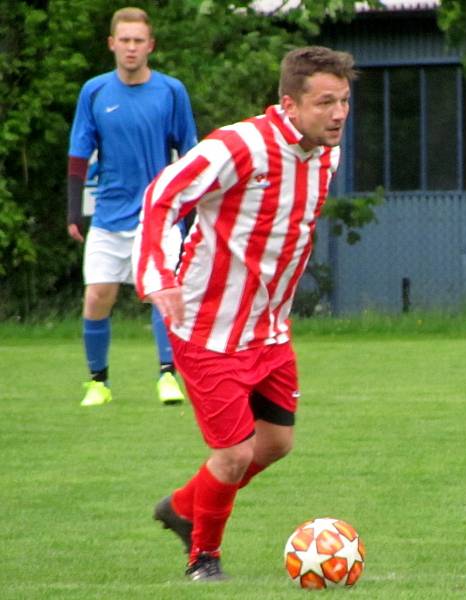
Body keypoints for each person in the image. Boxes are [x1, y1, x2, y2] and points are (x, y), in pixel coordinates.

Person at [132, 46, 356, 581]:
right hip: (207, 329)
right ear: (289, 103)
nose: (339, 113)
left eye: (344, 101)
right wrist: (158, 276)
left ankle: (184, 504)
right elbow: (163, 194)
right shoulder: (239, 146)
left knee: (276, 443)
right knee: (232, 455)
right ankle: (202, 558)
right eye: (325, 102)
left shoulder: (329, 152)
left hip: (269, 330)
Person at [67, 6, 197, 407]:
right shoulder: (95, 91)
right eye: (124, 40)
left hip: (158, 214)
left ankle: (167, 377)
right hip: (108, 213)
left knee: (161, 293)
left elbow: (190, 153)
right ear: (111, 44)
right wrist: (74, 211)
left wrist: (190, 216)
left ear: (150, 46)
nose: (131, 47)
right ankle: (98, 383)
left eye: (138, 40)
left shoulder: (171, 90)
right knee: (97, 297)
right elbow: (78, 154)